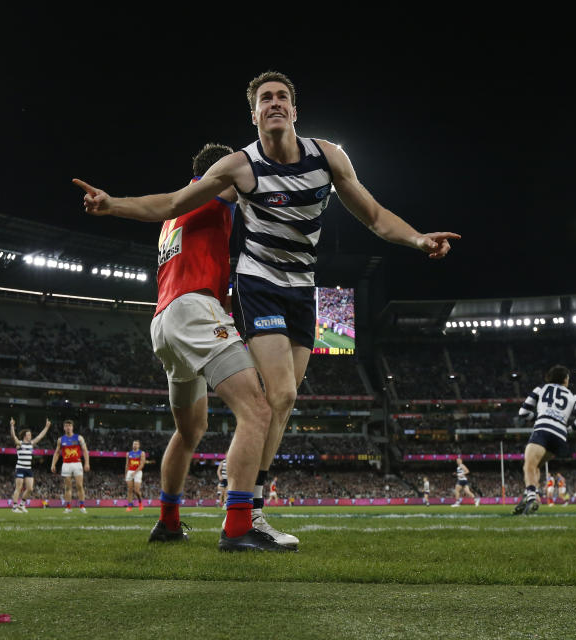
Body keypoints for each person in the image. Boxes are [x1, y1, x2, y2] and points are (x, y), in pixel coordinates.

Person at [74, 71, 459, 548]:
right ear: (253, 114)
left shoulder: (328, 157)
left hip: (301, 290)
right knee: (265, 399)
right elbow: (173, 201)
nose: (274, 103)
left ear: (294, 110)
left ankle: (235, 509)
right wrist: (113, 205)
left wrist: (420, 239)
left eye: (282, 97)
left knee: (283, 400)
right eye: (264, 99)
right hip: (258, 284)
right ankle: (242, 516)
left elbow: (376, 217)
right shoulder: (238, 168)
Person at [77, 143, 285, 551]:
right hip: (193, 308)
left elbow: (172, 214)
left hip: (164, 321)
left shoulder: (177, 217)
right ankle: (240, 523)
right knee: (258, 410)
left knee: (190, 431)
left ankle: (168, 521)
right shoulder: (213, 188)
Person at [514, 365, 576, 515]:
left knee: (528, 466)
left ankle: (531, 498)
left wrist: (537, 419)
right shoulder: (574, 397)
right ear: (565, 379)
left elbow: (523, 412)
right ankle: (529, 495)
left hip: (543, 429)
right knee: (536, 467)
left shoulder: (541, 388)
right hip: (560, 436)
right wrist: (568, 430)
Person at [9, 417, 51, 513]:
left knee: (30, 488)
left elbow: (40, 436)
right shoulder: (19, 444)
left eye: (30, 434)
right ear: (24, 436)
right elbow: (13, 436)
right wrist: (12, 426)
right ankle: (14, 507)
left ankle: (22, 504)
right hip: (20, 468)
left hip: (28, 469)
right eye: (28, 435)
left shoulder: (31, 444)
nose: (30, 436)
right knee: (18, 488)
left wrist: (47, 427)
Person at [50, 419, 90, 513]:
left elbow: (85, 450)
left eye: (70, 426)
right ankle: (68, 507)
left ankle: (82, 506)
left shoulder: (79, 438)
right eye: (66, 426)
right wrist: (53, 464)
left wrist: (87, 463)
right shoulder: (61, 439)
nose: (68, 427)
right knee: (67, 487)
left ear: (72, 427)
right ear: (64, 428)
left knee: (79, 485)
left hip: (77, 463)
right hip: (66, 464)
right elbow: (56, 453)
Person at [125, 440, 147, 512]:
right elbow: (127, 464)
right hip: (130, 471)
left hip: (138, 472)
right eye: (134, 444)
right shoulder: (128, 453)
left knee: (136, 491)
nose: (135, 445)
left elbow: (142, 464)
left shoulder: (142, 453)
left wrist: (135, 472)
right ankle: (130, 505)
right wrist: (126, 474)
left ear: (139, 445)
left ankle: (140, 502)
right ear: (132, 445)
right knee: (129, 490)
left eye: (136, 444)